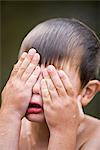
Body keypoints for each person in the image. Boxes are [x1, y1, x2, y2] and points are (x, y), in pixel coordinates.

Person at [0, 18, 100, 150]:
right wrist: (9, 113)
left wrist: (62, 131)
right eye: (30, 74)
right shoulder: (8, 125)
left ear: (87, 92)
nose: (35, 88)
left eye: (51, 79)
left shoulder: (95, 138)